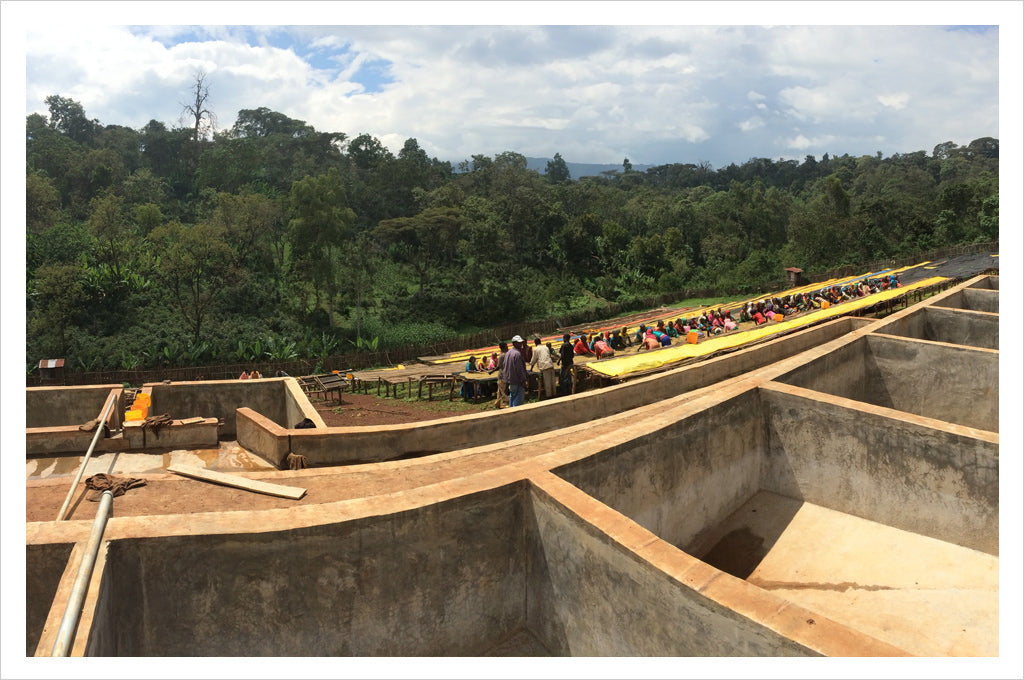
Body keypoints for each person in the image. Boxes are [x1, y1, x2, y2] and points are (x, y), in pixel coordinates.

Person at [502, 336, 529, 408]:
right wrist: (523, 381)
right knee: (518, 402)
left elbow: (505, 366)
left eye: (521, 343)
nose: (521, 345)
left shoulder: (508, 353)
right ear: (514, 343)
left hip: (511, 381)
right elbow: (519, 369)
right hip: (517, 381)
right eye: (519, 343)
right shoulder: (517, 354)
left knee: (512, 398)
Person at [490, 342, 509, 409]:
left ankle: (507, 401)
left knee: (501, 390)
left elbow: (499, 366)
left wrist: (491, 371)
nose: (507, 347)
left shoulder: (502, 355)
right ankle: (498, 403)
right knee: (500, 389)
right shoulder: (508, 354)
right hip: (506, 374)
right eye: (506, 346)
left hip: (502, 375)